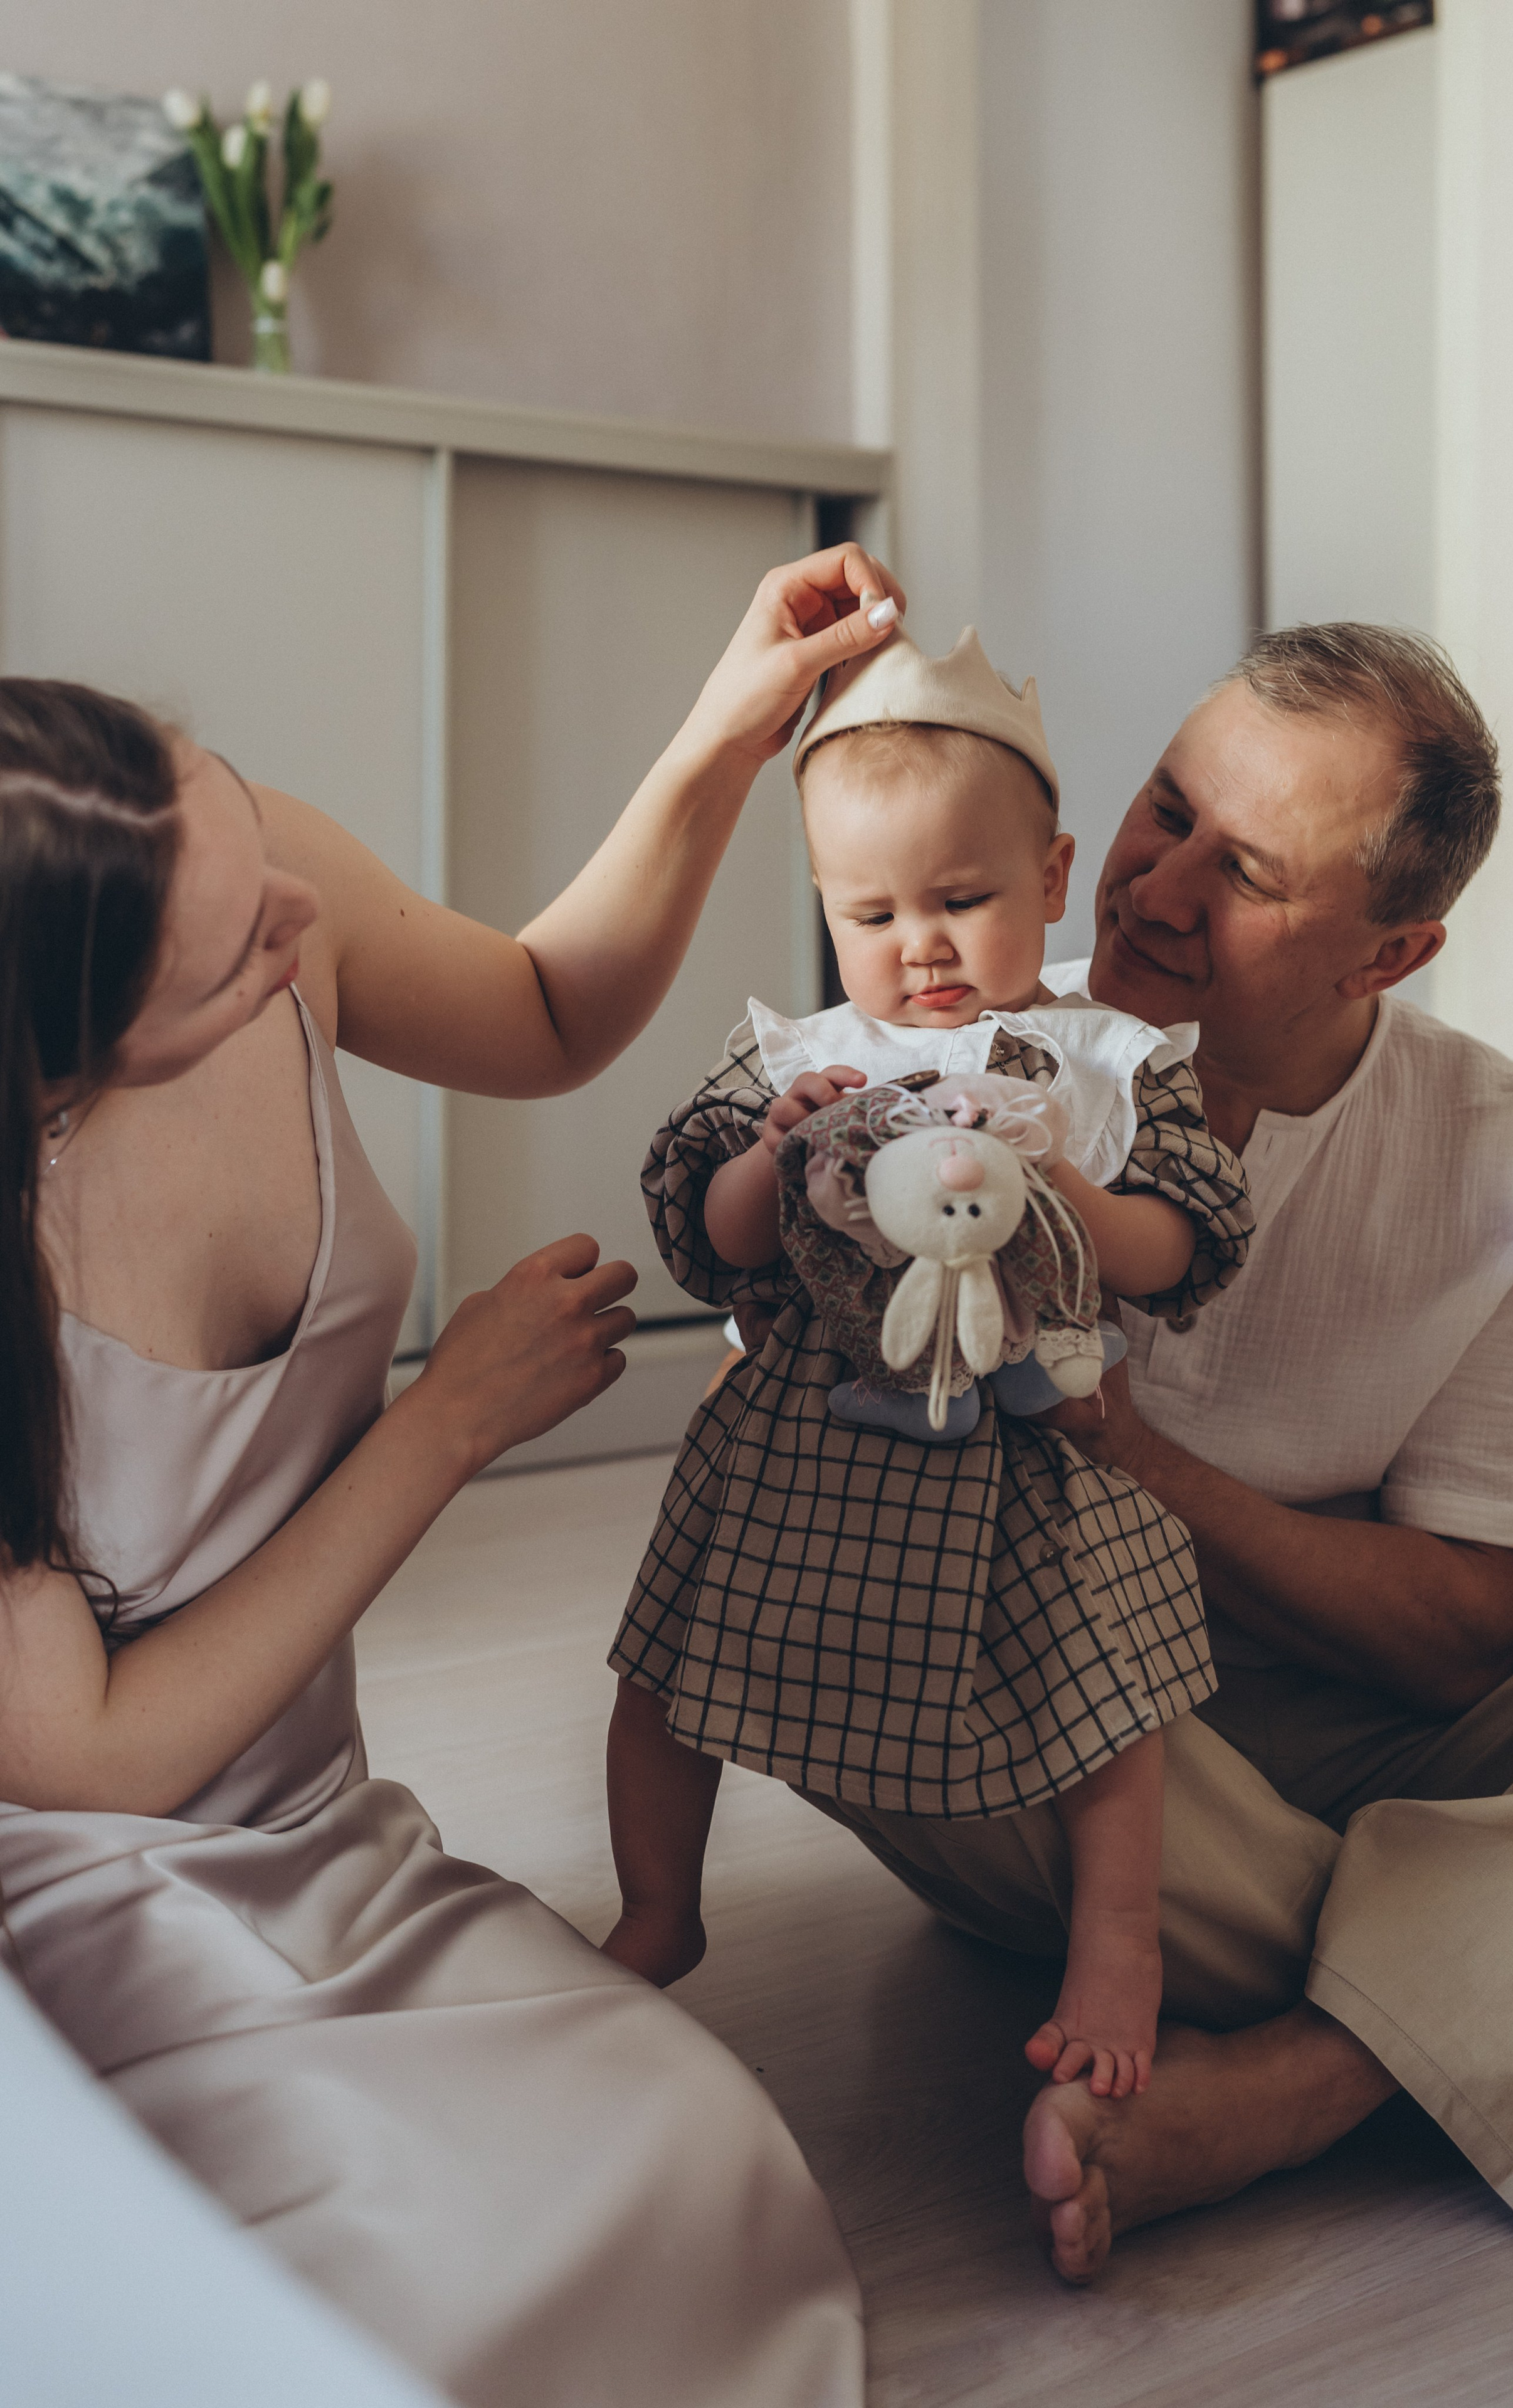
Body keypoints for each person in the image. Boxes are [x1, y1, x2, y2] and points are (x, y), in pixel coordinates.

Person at [0, 544, 905, 2408]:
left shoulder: (243, 877)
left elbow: (549, 1009)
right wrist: (449, 1422)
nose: (294, 927)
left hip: (317, 1819)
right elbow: (90, 1759)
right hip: (84, 1880)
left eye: (251, 851)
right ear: (57, 1078)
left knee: (693, 2173)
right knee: (375, 2307)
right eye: (231, 953)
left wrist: (727, 735)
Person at [788, 622, 1513, 2280]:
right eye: (1164, 809)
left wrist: (1138, 1455)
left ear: (1388, 955)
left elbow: (1466, 1639)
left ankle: (1307, 2083)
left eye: (1243, 872)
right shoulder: (960, 1059)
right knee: (839, 1631)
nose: (1155, 892)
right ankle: (1497, 1966)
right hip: (1053, 1733)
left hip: (1345, 1722)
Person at [601, 628, 1252, 2104]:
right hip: (801, 1428)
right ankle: (657, 1904)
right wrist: (771, 1158)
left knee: (1111, 1707)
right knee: (662, 1673)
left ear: (1046, 874)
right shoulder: (795, 1053)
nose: (922, 946)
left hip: (1033, 1440)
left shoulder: (1104, 1061)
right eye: (871, 910)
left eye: (962, 898)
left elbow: (1194, 1238)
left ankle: (1118, 1944)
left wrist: (1084, 1205)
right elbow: (703, 1234)